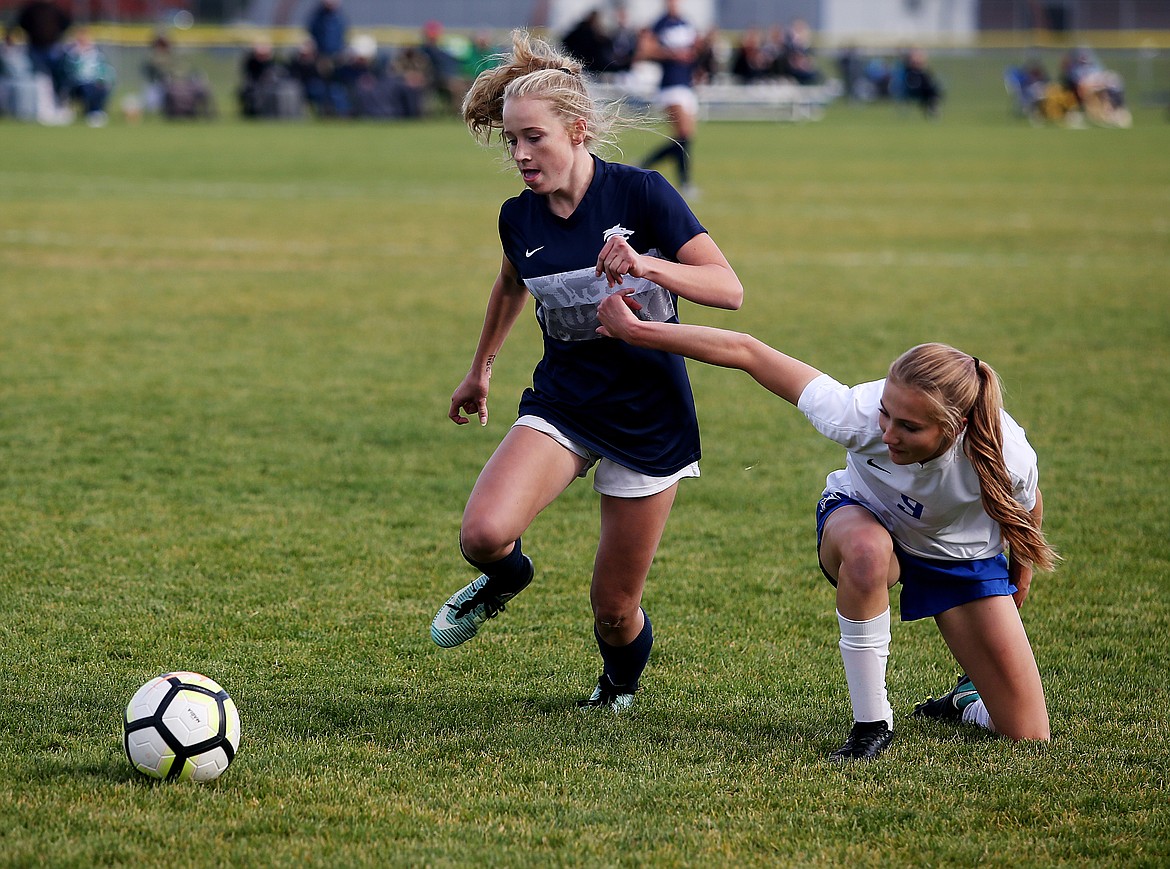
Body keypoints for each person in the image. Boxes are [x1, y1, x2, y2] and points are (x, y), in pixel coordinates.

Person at [595, 294, 1057, 760]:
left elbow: (1027, 507)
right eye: (886, 413)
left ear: (954, 427)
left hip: (957, 556)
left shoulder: (1005, 455)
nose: (889, 434)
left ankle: (966, 701)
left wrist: (1020, 577)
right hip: (864, 516)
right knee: (866, 551)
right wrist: (637, 333)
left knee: (1027, 734)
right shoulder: (858, 415)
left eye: (910, 427)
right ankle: (871, 726)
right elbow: (747, 351)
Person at [431, 31, 744, 713]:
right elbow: (513, 283)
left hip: (649, 416)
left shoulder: (642, 195)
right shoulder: (519, 218)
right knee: (483, 534)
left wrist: (647, 264)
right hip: (566, 402)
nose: (519, 155)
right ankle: (505, 581)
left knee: (613, 607)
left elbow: (728, 289)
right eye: (511, 140)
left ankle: (618, 685)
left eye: (533, 138)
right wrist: (479, 370)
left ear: (577, 131)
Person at [637, 0, 700, 197]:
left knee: (686, 137)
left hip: (687, 85)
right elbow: (644, 51)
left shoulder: (686, 23)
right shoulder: (658, 24)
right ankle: (685, 183)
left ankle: (643, 164)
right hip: (670, 85)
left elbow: (695, 50)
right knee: (683, 133)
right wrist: (671, 54)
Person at [62, 27, 114, 126]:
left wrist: (102, 80)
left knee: (102, 88)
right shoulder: (72, 54)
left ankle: (96, 112)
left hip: (95, 83)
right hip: (77, 84)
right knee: (88, 88)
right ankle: (90, 112)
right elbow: (70, 71)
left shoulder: (97, 54)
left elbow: (103, 70)